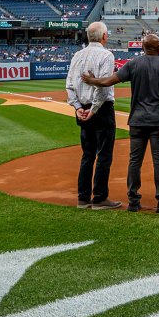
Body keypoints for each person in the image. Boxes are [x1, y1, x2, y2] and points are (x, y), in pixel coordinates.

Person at [81, 34, 159, 213]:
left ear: (143, 47)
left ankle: (133, 200)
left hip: (137, 120)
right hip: (158, 120)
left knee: (135, 161)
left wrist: (92, 80)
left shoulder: (133, 64)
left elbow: (109, 81)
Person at [65, 21, 121, 210]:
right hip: (102, 109)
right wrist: (94, 109)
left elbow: (70, 85)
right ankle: (99, 198)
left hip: (83, 108)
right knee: (104, 154)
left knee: (87, 154)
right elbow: (103, 86)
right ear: (104, 36)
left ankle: (83, 198)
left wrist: (77, 107)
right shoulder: (106, 55)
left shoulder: (77, 55)